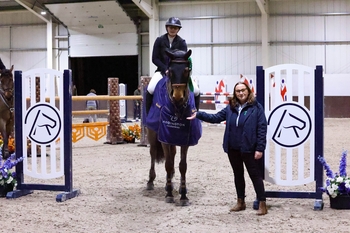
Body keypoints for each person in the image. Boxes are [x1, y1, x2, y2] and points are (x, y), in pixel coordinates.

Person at [187, 81, 268, 215]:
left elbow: (262, 129)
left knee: (255, 176)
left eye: (243, 90)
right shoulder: (231, 107)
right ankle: (240, 202)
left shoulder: (256, 107)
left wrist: (260, 148)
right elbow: (216, 117)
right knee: (238, 175)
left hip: (249, 148)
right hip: (233, 148)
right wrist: (199, 114)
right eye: (238, 91)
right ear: (235, 93)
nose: (241, 93)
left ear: (248, 91)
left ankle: (262, 203)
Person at [146, 17, 200, 114]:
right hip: (162, 70)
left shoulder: (182, 42)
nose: (173, 29)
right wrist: (165, 69)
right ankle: (148, 115)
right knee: (150, 89)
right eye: (171, 27)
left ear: (178, 29)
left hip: (178, 74)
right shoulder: (159, 40)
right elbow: (155, 58)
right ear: (167, 28)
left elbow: (183, 59)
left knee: (196, 90)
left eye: (175, 28)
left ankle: (196, 114)